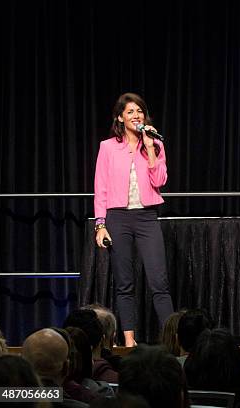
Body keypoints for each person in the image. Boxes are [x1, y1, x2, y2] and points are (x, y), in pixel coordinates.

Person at [94, 92, 174, 347]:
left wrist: (150, 148)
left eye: (139, 111)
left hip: (147, 217)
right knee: (125, 282)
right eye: (130, 111)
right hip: (117, 218)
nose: (136, 115)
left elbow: (159, 181)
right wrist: (100, 224)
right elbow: (101, 187)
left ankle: (171, 340)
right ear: (120, 117)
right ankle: (129, 341)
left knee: (159, 281)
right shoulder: (107, 147)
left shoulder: (155, 144)